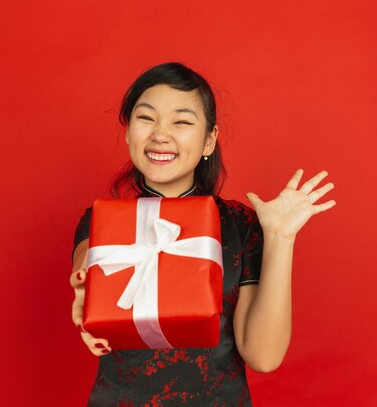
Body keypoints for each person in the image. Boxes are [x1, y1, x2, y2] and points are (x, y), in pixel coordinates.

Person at [69, 62, 336, 406]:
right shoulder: (101, 221)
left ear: (209, 139)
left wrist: (280, 238)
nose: (160, 134)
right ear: (128, 132)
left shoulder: (238, 225)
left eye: (181, 121)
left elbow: (263, 356)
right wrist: (84, 291)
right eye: (146, 118)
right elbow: (86, 266)